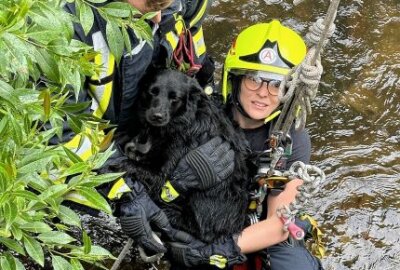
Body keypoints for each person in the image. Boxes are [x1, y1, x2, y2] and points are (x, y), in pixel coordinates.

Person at [61, 0, 237, 257]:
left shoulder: (185, 3)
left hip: (144, 123)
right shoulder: (66, 26)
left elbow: (194, 45)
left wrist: (210, 120)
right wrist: (124, 191)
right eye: (148, 6)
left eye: (164, 7)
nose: (157, 19)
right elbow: (60, 132)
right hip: (89, 148)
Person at [164, 20, 324, 270]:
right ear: (235, 79)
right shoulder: (204, 117)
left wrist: (220, 251)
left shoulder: (291, 138)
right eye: (254, 79)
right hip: (207, 219)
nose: (263, 92)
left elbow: (277, 224)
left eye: (277, 84)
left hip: (260, 228)